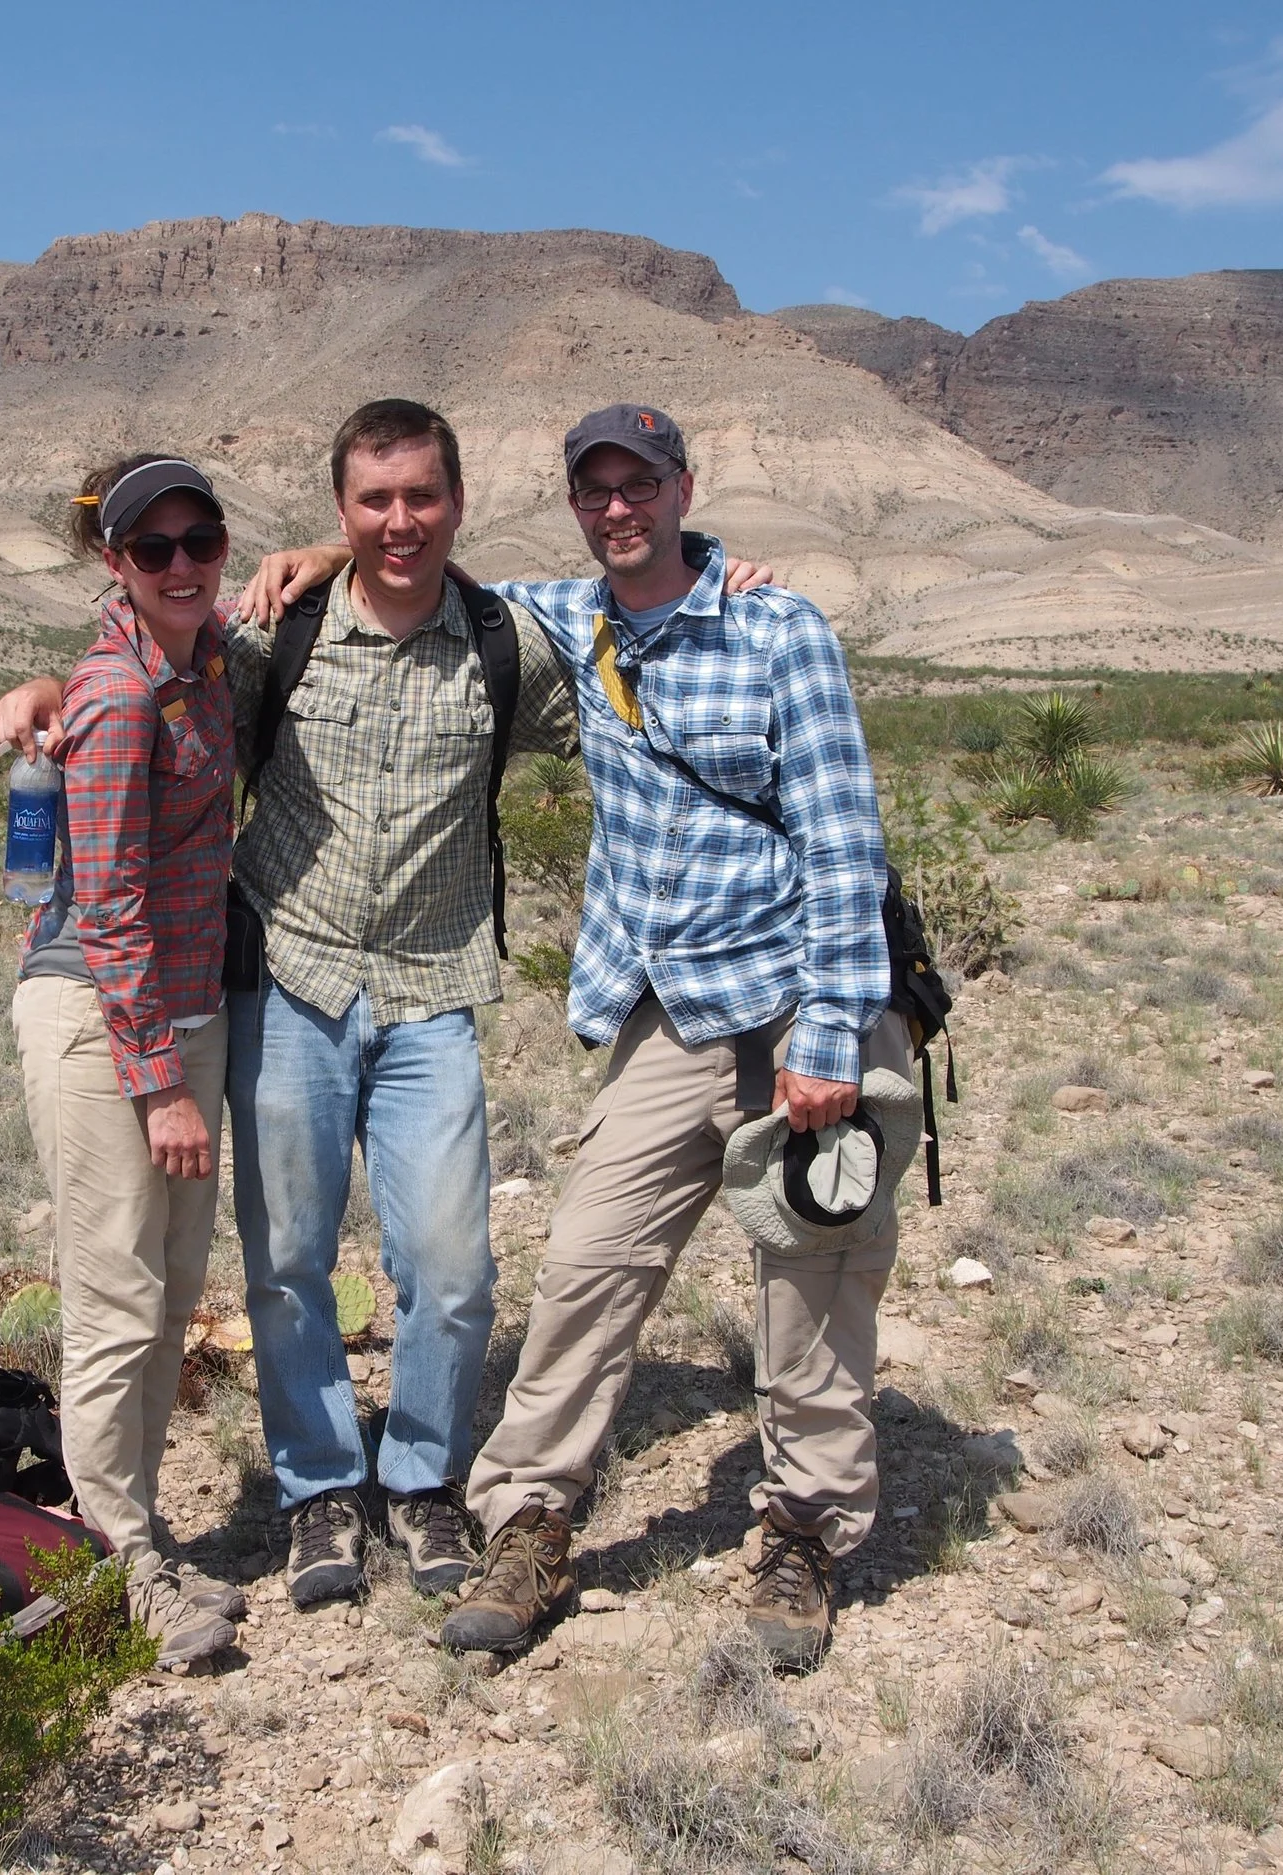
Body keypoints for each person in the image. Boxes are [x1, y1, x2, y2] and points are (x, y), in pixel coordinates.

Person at [2, 402, 773, 1613]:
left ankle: (418, 1480)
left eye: (421, 497)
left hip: (431, 994)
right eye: (373, 501)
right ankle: (316, 1492)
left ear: (457, 503)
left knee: (451, 1269)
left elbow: (642, 679)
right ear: (342, 512)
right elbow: (156, 669)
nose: (399, 521)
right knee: (288, 1266)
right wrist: (46, 683)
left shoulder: (501, 641)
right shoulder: (276, 634)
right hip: (290, 982)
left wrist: (726, 580)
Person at [241, 404, 899, 1670]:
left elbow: (843, 836)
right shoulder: (565, 618)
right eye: (594, 489)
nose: (617, 508)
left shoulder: (776, 628)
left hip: (798, 1002)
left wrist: (829, 1026)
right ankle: (528, 1520)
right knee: (586, 1268)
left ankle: (802, 1543)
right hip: (668, 1011)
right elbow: (407, 565)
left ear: (682, 488)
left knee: (811, 1284)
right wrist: (319, 559)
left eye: (638, 485)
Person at [9, 452, 249, 1670]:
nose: (179, 566)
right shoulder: (114, 699)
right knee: (112, 1294)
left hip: (183, 1011)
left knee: (165, 1290)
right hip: (108, 1020)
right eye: (151, 550)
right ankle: (114, 1558)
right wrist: (156, 1080)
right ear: (115, 562)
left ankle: (130, 1520)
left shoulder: (206, 665)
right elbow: (103, 908)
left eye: (197, 541)